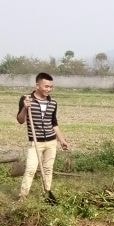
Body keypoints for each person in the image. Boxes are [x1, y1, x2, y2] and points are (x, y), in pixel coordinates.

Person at [16, 72, 69, 203]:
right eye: (46, 86)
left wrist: (62, 140)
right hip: (35, 142)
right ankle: (22, 197)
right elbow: (20, 120)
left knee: (48, 169)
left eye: (51, 87)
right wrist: (25, 108)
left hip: (51, 141)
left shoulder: (53, 103)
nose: (49, 89)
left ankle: (47, 193)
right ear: (37, 85)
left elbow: (54, 123)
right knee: (30, 169)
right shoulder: (26, 99)